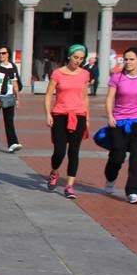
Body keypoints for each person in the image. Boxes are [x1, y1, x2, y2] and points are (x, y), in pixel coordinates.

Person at [103, 47, 137, 205]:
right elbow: (110, 98)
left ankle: (133, 192)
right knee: (117, 155)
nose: (128, 62)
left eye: (132, 59)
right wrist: (110, 116)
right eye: (126, 59)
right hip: (119, 121)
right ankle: (110, 179)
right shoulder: (117, 77)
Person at [44, 44, 91, 199]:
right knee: (59, 151)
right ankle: (54, 172)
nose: (78, 61)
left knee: (74, 151)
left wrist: (87, 117)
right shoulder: (58, 73)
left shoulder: (84, 74)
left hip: (78, 115)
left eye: (81, 58)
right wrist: (48, 114)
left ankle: (70, 185)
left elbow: (84, 97)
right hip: (60, 115)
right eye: (76, 57)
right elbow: (49, 94)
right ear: (69, 56)